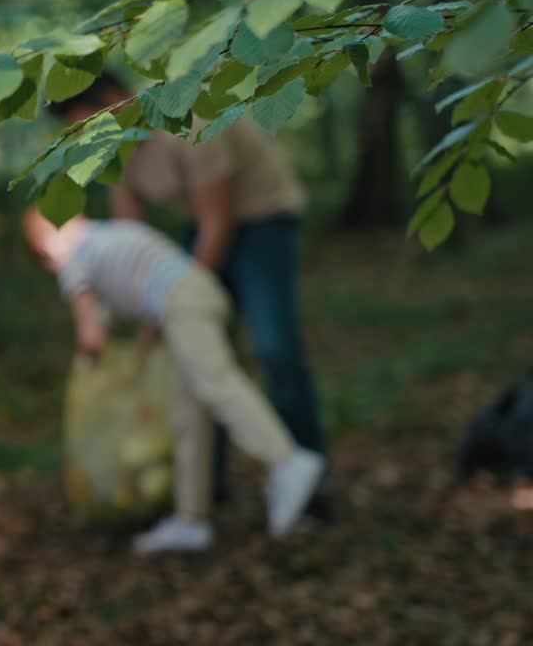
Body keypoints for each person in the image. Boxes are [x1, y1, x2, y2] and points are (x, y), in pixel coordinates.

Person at [49, 72, 329, 517]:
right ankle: (206, 489)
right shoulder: (113, 146)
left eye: (86, 119)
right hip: (201, 226)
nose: (86, 134)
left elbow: (218, 218)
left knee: (275, 350)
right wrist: (151, 312)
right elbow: (132, 236)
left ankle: (307, 483)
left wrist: (179, 298)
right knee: (195, 358)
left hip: (261, 222)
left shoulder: (190, 117)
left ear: (116, 98)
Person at [22, 208, 323, 553]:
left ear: (49, 242)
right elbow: (148, 288)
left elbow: (91, 335)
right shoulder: (109, 234)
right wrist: (141, 349)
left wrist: (88, 367)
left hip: (182, 304)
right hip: (191, 296)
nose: (50, 262)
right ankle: (191, 519)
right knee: (188, 415)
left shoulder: (75, 257)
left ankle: (286, 460)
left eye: (43, 254)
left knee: (216, 383)